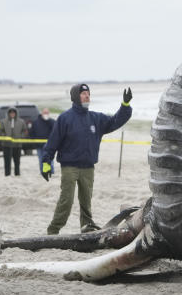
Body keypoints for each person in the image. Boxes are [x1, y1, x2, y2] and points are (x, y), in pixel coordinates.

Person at [41, 84, 132, 234]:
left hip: (88, 167)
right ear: (76, 97)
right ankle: (53, 230)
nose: (87, 96)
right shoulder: (65, 118)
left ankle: (87, 228)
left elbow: (115, 121)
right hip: (69, 167)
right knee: (66, 200)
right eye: (83, 93)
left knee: (86, 202)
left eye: (88, 93)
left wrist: (125, 105)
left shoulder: (95, 118)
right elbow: (52, 143)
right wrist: (46, 163)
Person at [0, 107, 27, 176]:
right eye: (10, 113)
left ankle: (17, 174)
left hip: (17, 145)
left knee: (17, 161)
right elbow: (0, 131)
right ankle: (7, 174)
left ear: (16, 113)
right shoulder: (3, 121)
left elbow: (24, 131)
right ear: (8, 113)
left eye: (13, 113)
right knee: (7, 161)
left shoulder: (21, 121)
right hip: (6, 144)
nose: (12, 114)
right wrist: (4, 137)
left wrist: (21, 137)